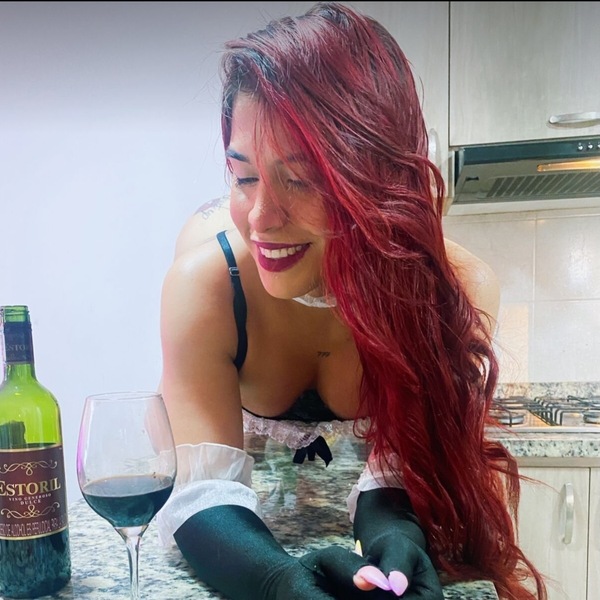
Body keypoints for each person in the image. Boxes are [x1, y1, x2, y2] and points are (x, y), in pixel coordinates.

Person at [156, 3, 547, 599]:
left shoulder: (451, 287)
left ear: (374, 177)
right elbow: (202, 492)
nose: (261, 218)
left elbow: (402, 465)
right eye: (244, 177)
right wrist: (279, 581)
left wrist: (395, 530)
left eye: (300, 178)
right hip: (232, 537)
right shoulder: (205, 284)